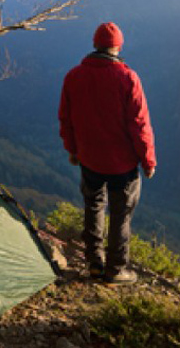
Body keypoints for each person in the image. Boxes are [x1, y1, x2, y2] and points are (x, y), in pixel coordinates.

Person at [58, 22, 157, 285]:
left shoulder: (74, 76)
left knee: (93, 206)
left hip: (89, 158)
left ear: (95, 44)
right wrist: (148, 160)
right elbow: (139, 124)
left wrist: (73, 150)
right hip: (122, 164)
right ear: (118, 46)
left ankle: (94, 262)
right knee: (121, 214)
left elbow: (66, 118)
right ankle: (116, 269)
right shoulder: (127, 78)